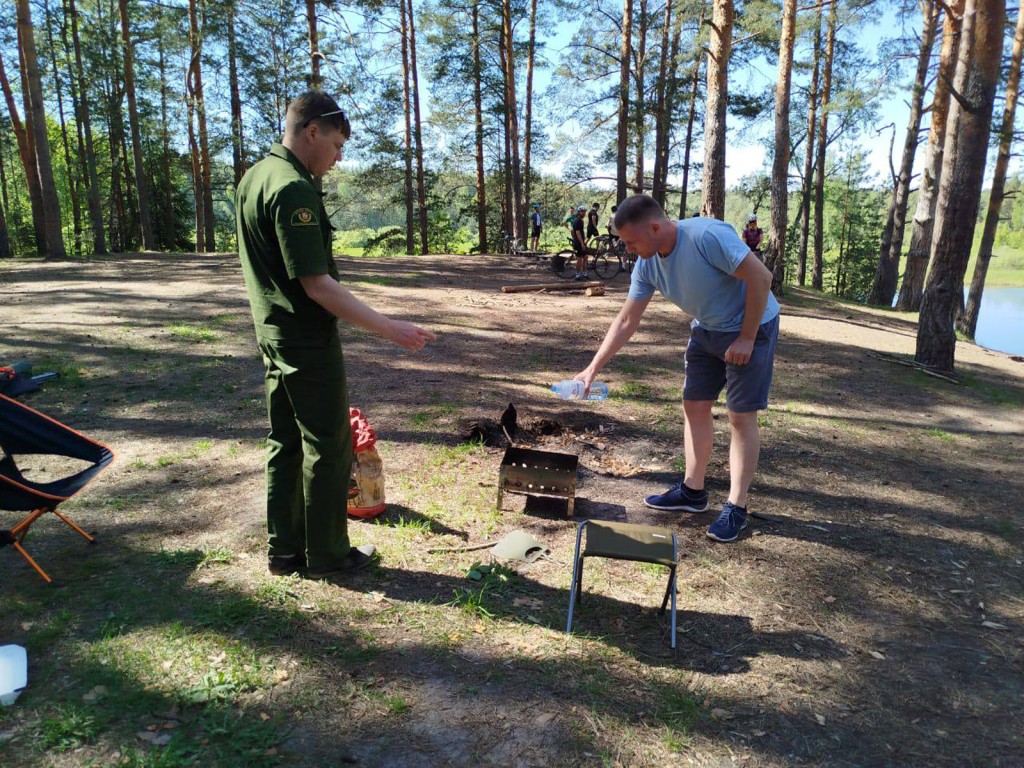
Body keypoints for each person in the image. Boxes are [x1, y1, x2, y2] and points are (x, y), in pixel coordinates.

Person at [236, 90, 436, 579]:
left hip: (273, 332)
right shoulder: (292, 188)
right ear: (312, 131)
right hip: (304, 338)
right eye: (337, 144)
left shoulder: (254, 177)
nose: (339, 156)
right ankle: (326, 552)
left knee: (285, 439)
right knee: (329, 442)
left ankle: (284, 549)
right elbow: (317, 285)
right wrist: (391, 328)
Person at [573, 195, 779, 543]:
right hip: (706, 329)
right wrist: (592, 369)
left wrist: (746, 337)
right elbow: (626, 320)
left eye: (631, 241)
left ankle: (736, 506)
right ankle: (693, 491)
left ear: (655, 227)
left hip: (751, 326)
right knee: (694, 406)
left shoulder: (705, 237)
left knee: (740, 416)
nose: (628, 249)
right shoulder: (648, 263)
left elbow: (761, 277)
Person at [571, 204, 589, 280]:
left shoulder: (580, 220)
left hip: (581, 241)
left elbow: (572, 230)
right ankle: (577, 275)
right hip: (579, 243)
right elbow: (577, 232)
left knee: (585, 257)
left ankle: (584, 273)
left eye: (584, 212)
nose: (584, 213)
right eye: (582, 212)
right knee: (579, 259)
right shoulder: (577, 220)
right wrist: (582, 243)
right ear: (579, 212)